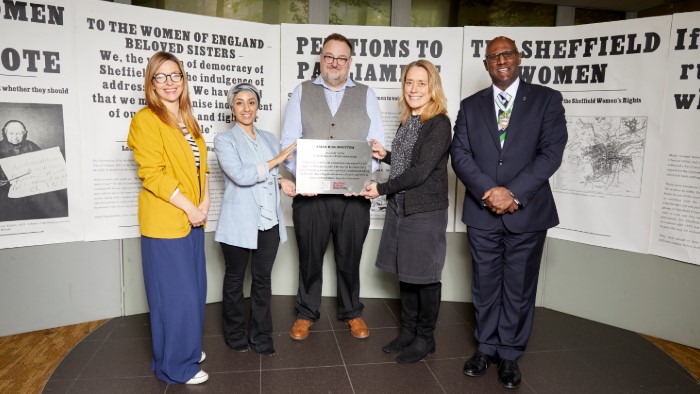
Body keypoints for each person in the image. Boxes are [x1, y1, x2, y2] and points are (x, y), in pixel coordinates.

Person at [450, 36, 568, 389]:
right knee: (485, 285)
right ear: (486, 64)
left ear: (518, 58)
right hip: (482, 212)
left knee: (518, 288)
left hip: (527, 212)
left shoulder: (546, 100)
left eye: (507, 54)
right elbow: (460, 154)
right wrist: (490, 194)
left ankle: (510, 355)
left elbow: (552, 152)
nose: (501, 60)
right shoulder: (471, 106)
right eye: (493, 57)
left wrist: (513, 193)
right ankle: (485, 347)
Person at [280, 33, 385, 341]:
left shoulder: (367, 94)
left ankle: (352, 311)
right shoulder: (301, 92)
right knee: (309, 256)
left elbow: (376, 146)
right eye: (329, 57)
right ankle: (306, 312)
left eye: (341, 58)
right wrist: (304, 177)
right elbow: (288, 144)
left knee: (349, 256)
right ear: (321, 59)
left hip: (353, 196)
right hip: (309, 196)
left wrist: (365, 177)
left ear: (350, 62)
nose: (335, 63)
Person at [127, 51, 210, 385]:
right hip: (166, 222)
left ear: (183, 79)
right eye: (160, 77)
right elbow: (153, 175)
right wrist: (190, 208)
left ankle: (185, 347)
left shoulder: (188, 120)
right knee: (175, 298)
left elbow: (201, 169)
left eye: (174, 75)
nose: (169, 82)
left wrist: (203, 205)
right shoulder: (145, 120)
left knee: (194, 291)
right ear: (151, 83)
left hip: (193, 220)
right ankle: (175, 366)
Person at [361, 59, 451, 364]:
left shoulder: (439, 123)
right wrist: (385, 155)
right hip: (401, 209)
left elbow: (422, 171)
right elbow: (405, 163)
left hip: (424, 211)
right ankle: (408, 332)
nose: (413, 89)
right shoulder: (407, 121)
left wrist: (382, 189)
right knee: (407, 274)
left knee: (425, 277)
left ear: (432, 88)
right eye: (409, 82)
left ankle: (426, 339)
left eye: (421, 83)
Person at [214, 82, 297, 356]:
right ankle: (235, 333)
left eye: (251, 102)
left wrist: (282, 182)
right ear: (232, 108)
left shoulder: (269, 138)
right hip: (238, 223)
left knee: (262, 280)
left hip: (268, 222)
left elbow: (270, 177)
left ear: (258, 107)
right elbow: (241, 175)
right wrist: (278, 161)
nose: (246, 107)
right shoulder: (224, 141)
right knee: (235, 280)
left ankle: (261, 336)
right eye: (239, 102)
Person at [0, 120, 68, 222]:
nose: (15, 137)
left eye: (19, 133)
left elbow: (44, 164)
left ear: (24, 134)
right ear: (5, 133)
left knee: (53, 201)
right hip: (7, 189)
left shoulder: (30, 145)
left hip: (33, 185)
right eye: (11, 133)